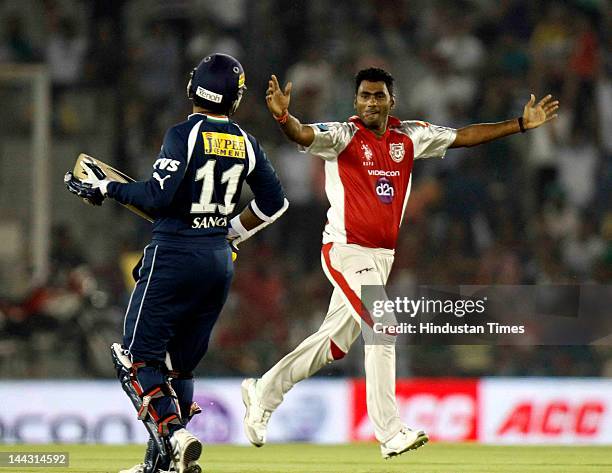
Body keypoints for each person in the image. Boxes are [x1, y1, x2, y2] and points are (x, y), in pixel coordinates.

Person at [241, 67, 558, 458]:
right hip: (345, 249)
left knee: (334, 345)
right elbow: (302, 133)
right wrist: (283, 118)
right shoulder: (342, 135)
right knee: (383, 324)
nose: (371, 102)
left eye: (378, 96)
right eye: (364, 96)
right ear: (355, 101)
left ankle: (263, 391)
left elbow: (464, 136)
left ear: (393, 100)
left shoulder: (410, 135)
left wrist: (520, 125)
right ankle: (389, 433)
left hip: (381, 257)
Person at [65, 53, 288, 473]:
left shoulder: (183, 134)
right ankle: (165, 466)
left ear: (193, 88)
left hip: (174, 255)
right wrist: (231, 232)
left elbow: (158, 198)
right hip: (218, 262)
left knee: (134, 358)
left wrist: (106, 187)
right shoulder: (247, 141)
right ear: (234, 100)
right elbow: (275, 203)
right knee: (178, 367)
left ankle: (173, 436)